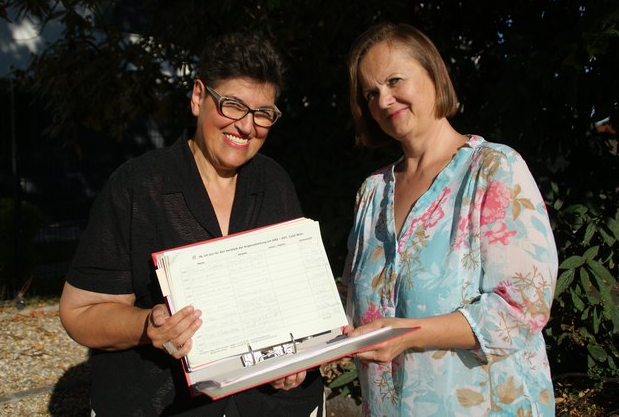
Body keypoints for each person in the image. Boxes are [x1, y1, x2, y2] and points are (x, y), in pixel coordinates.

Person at [59, 31, 324, 416]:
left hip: (272, 407)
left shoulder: (275, 184)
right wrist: (147, 326)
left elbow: (300, 307)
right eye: (232, 105)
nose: (247, 127)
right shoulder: (138, 187)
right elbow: (80, 312)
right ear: (199, 97)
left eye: (263, 113)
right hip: (165, 405)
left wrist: (297, 360)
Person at [342, 22, 558, 416]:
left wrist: (408, 335)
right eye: (371, 93)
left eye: (394, 81)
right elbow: (351, 305)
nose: (384, 100)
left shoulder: (493, 169)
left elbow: (522, 309)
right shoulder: (372, 192)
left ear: (434, 75)